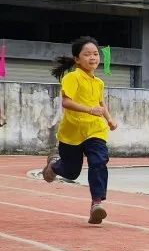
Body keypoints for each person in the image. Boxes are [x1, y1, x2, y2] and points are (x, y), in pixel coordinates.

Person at [40, 37, 117, 224]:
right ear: (77, 59)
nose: (93, 57)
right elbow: (66, 102)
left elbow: (101, 103)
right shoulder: (72, 77)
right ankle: (55, 165)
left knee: (99, 162)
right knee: (72, 172)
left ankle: (96, 204)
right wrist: (89, 110)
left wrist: (109, 119)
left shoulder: (98, 82)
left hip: (95, 131)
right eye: (87, 54)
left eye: (96, 54)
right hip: (72, 133)